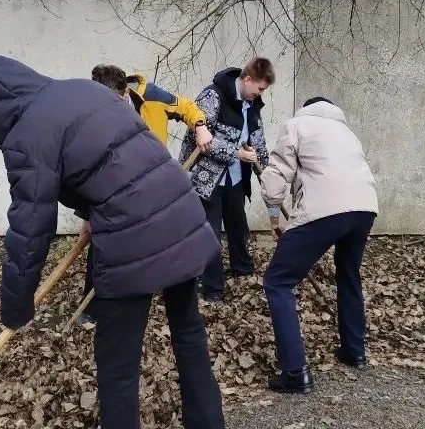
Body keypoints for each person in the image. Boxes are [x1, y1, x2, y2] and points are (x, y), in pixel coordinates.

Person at [0, 55, 225, 429]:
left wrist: (16, 307)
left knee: (117, 362)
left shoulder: (27, 134)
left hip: (133, 237)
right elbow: (117, 156)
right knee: (189, 334)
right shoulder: (85, 90)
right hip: (181, 212)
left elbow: (31, 226)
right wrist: (90, 212)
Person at [70, 64, 214, 324]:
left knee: (166, 242)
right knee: (102, 245)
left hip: (154, 187)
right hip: (115, 192)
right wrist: (86, 215)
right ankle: (91, 307)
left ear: (125, 93)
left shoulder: (153, 97)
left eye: (113, 101)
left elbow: (186, 106)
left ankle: (170, 298)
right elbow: (90, 166)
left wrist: (201, 126)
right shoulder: (94, 113)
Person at [258, 97, 379, 394]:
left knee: (277, 281)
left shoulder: (297, 124)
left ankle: (295, 372)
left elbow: (277, 174)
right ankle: (355, 351)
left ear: (305, 108)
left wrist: (274, 215)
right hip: (364, 209)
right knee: (348, 274)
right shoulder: (347, 132)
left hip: (325, 209)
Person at [178, 56, 275, 303]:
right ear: (248, 79)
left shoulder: (252, 104)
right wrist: (236, 153)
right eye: (260, 88)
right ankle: (212, 289)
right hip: (205, 177)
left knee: (238, 227)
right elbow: (202, 140)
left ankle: (243, 273)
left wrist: (264, 167)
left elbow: (258, 138)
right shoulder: (213, 96)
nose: (261, 94)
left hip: (234, 177)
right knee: (210, 234)